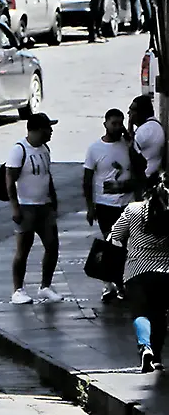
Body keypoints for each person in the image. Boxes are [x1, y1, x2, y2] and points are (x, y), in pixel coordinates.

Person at [107, 176, 169, 372]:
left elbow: (115, 237)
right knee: (159, 314)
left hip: (136, 271)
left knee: (140, 312)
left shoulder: (133, 210)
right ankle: (157, 358)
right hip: (165, 272)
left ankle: (145, 348)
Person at [6, 113, 63, 304]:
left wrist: (53, 199)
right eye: (48, 128)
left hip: (44, 206)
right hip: (26, 206)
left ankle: (45, 286)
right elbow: (10, 181)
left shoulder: (45, 149)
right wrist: (15, 207)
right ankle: (18, 289)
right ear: (38, 129)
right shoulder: (19, 150)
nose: (51, 132)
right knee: (23, 249)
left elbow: (48, 176)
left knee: (52, 245)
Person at [84, 108, 135, 301]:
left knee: (126, 244)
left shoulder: (127, 145)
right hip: (105, 205)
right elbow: (87, 179)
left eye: (120, 123)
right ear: (105, 124)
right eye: (113, 123)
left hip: (126, 203)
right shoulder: (94, 149)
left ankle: (121, 282)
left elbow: (139, 167)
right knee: (111, 243)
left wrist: (130, 140)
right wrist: (90, 207)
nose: (117, 127)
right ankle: (110, 283)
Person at [129, 94, 165, 188]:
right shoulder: (152, 126)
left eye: (132, 110)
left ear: (142, 112)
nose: (129, 113)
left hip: (146, 181)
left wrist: (130, 124)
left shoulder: (147, 129)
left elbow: (128, 149)